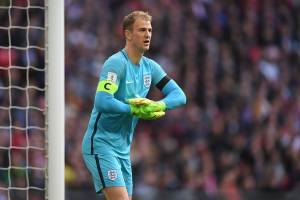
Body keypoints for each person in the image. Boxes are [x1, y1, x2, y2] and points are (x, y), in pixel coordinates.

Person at [81, 10, 186, 200]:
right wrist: (133, 109)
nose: (147, 35)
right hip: (101, 144)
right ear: (128, 34)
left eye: (150, 30)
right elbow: (102, 101)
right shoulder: (115, 64)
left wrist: (157, 105)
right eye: (141, 30)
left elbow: (180, 95)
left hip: (123, 150)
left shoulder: (151, 68)